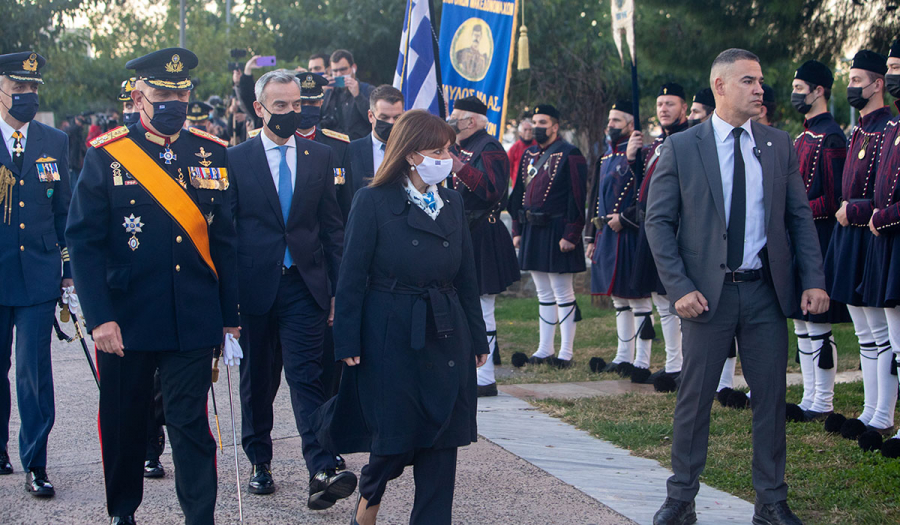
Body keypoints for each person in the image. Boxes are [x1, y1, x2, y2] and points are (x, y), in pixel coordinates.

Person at [645, 48, 829, 525]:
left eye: (760, 80)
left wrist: (813, 280)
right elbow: (658, 223)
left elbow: (798, 219)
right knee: (695, 398)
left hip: (765, 292)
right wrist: (679, 286)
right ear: (721, 86)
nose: (759, 88)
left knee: (769, 399)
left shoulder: (777, 144)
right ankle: (680, 498)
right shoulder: (683, 147)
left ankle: (771, 501)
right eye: (748, 80)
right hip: (706, 296)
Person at [66, 47, 240, 525]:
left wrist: (230, 319)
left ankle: (199, 516)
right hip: (127, 317)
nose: (173, 102)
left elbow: (225, 240)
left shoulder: (211, 151)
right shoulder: (107, 154)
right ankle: (123, 512)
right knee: (125, 423)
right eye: (163, 93)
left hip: (192, 315)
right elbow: (83, 242)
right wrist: (99, 317)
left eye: (181, 93)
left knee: (190, 425)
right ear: (139, 95)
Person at [311, 109, 489, 525]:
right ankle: (369, 497)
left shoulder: (452, 198)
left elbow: (466, 277)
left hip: (446, 329)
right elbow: (352, 276)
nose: (445, 157)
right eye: (436, 150)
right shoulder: (371, 200)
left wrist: (479, 339)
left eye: (448, 149)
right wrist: (348, 341)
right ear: (410, 155)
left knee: (443, 437)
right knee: (394, 434)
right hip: (391, 328)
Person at [227, 69, 355, 505]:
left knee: (307, 377)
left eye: (295, 104)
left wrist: (339, 288)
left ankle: (321, 466)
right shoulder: (236, 158)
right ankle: (260, 460)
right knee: (258, 380)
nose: (290, 112)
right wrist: (228, 303)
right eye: (280, 106)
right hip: (255, 288)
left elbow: (332, 228)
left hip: (306, 284)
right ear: (260, 109)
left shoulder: (319, 156)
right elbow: (227, 232)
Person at [0, 51, 71, 498]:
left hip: (39, 273)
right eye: (17, 89)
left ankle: (36, 462)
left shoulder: (54, 140)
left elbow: (63, 208)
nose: (26, 96)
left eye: (32, 89)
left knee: (33, 370)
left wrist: (66, 269)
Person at [824, 50, 895, 436]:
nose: (851, 87)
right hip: (850, 234)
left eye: (856, 81)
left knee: (882, 333)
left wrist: (855, 210)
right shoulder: (860, 130)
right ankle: (870, 411)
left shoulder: (888, 128)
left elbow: (887, 192)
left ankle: (883, 413)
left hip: (872, 233)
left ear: (877, 84)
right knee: (865, 333)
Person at [787, 60, 850, 422]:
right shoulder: (802, 136)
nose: (796, 95)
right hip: (800, 237)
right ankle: (809, 395)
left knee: (818, 322)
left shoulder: (831, 137)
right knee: (801, 322)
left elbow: (834, 195)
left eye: (800, 89)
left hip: (820, 237)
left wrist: (796, 210)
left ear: (818, 91)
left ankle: (823, 401)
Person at [447, 96, 520, 396]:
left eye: (456, 117)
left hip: (483, 234)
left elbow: (493, 190)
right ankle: (469, 372)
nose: (451, 121)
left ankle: (485, 377)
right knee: (465, 305)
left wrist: (458, 166)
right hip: (463, 230)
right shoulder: (459, 146)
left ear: (471, 121)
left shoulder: (489, 148)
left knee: (482, 306)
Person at [508, 104, 587, 368]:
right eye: (534, 122)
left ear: (555, 126)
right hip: (533, 229)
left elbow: (577, 198)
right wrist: (517, 229)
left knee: (563, 292)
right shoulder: (529, 154)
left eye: (543, 122)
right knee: (543, 292)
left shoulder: (570, 153)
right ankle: (544, 349)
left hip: (558, 230)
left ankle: (566, 352)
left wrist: (572, 234)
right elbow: (518, 194)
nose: (536, 127)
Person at [623, 83, 689, 386]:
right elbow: (648, 185)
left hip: (675, 228)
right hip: (652, 227)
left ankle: (683, 365)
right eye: (660, 104)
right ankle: (674, 363)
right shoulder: (658, 143)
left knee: (676, 300)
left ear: (684, 109)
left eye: (670, 104)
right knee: (662, 301)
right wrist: (633, 158)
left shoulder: (689, 140)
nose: (663, 108)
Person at [586, 101, 653, 380]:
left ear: (629, 124)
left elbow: (644, 195)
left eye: (616, 120)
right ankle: (623, 356)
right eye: (609, 120)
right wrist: (591, 236)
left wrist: (632, 158)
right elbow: (595, 200)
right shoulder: (605, 157)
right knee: (618, 299)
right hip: (606, 235)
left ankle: (642, 360)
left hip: (631, 232)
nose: (610, 125)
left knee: (637, 298)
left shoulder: (643, 154)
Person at [861, 38, 900, 443]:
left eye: (896, 67)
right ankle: (880, 415)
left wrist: (881, 215)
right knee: (894, 340)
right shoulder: (893, 128)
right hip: (888, 240)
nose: (891, 77)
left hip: (890, 230)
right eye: (888, 68)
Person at [348, 84, 404, 195]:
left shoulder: (412, 150)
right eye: (384, 117)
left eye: (397, 118)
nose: (391, 123)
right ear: (370, 116)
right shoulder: (351, 151)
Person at [320, 49, 375, 140]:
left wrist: (357, 95)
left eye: (343, 70)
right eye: (335, 71)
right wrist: (321, 93)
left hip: (359, 144)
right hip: (334, 146)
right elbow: (317, 119)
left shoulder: (367, 90)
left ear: (353, 68)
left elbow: (374, 119)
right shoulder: (329, 91)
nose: (339, 74)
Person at [507, 114, 535, 187]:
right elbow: (508, 165)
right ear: (520, 132)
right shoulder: (514, 148)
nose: (528, 132)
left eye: (530, 130)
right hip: (518, 184)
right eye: (525, 130)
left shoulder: (537, 145)